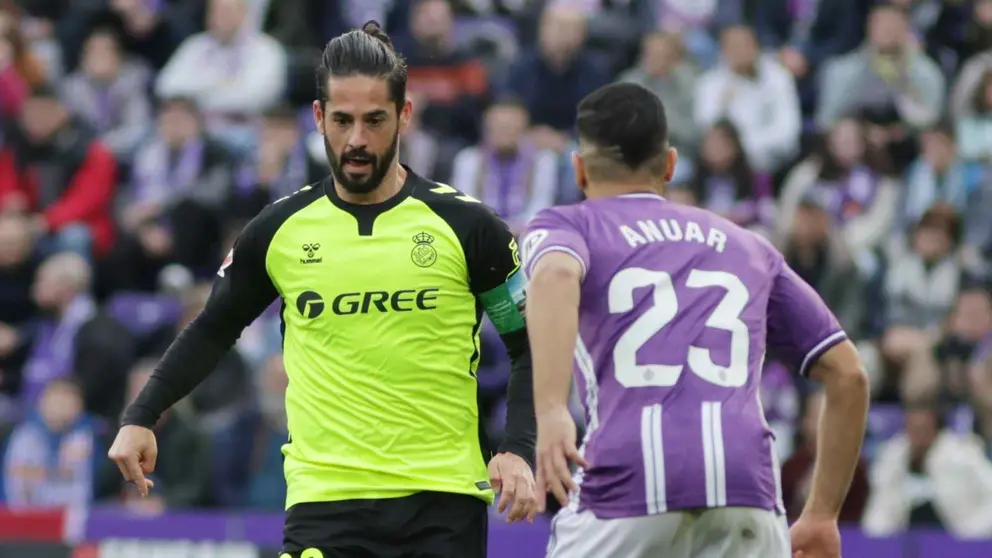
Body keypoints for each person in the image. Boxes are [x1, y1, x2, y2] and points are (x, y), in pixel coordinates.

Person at [108, 21, 539, 558]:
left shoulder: (470, 227)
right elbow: (213, 329)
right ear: (318, 118)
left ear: (404, 116)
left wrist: (519, 449)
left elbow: (528, 346)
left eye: (375, 120)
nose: (357, 139)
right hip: (325, 503)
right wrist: (141, 415)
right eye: (342, 120)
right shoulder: (278, 230)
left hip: (442, 501)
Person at [523, 83, 870, 558]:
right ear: (669, 164)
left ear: (579, 169)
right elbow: (849, 375)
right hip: (746, 488)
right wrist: (823, 514)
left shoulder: (568, 226)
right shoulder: (749, 246)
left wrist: (551, 411)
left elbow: (558, 273)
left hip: (626, 483)